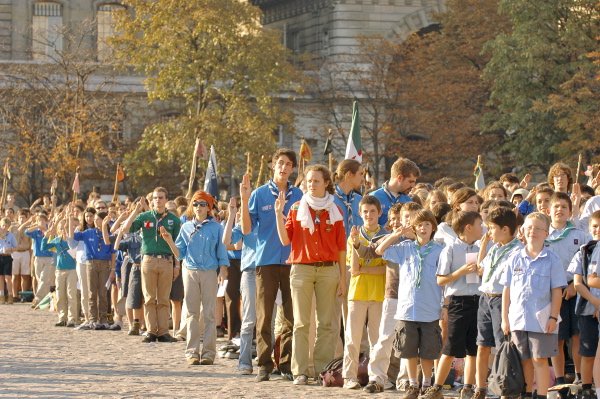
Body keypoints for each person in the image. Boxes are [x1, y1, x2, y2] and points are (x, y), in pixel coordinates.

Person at [274, 164, 346, 386]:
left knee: (326, 323)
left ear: (326, 183)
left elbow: (341, 246)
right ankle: (300, 371)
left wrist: (343, 277)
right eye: (308, 181)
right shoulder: (296, 208)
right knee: (301, 324)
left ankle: (323, 370)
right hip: (302, 269)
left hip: (329, 269)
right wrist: (278, 214)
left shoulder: (335, 209)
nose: (311, 185)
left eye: (316, 181)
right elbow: (285, 240)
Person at [239, 148, 303, 382]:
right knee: (264, 316)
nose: (284, 168)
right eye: (280, 163)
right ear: (273, 166)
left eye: (288, 164)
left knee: (290, 315)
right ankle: (264, 364)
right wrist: (245, 201)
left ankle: (285, 364)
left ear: (293, 168)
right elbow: (246, 229)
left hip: (292, 261)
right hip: (265, 261)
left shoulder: (299, 195)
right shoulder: (259, 194)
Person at [500, 212, 566, 399]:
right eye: (529, 227)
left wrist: (553, 316)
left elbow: (556, 291)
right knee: (524, 360)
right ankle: (527, 393)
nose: (533, 232)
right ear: (522, 230)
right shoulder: (514, 258)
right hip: (518, 318)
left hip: (542, 320)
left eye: (538, 228)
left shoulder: (552, 259)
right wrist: (505, 318)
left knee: (539, 359)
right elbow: (507, 290)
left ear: (546, 233)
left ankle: (542, 395)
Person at [420, 211, 484, 399]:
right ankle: (437, 386)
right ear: (468, 227)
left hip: (478, 301)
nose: (483, 228)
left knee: (474, 348)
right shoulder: (450, 248)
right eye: (480, 224)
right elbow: (441, 280)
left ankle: (468, 386)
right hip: (458, 302)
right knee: (450, 347)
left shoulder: (481, 247)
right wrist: (461, 272)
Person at [383, 210, 444, 399]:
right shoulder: (405, 247)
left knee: (427, 351)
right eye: (419, 225)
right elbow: (380, 251)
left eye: (427, 224)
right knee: (408, 350)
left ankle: (427, 383)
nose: (423, 228)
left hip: (430, 309)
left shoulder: (439, 250)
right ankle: (412, 385)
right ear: (414, 228)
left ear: (433, 228)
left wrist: (444, 305)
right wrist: (396, 234)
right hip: (407, 309)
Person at [173, 190, 229, 365]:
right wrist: (168, 240)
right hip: (189, 270)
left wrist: (223, 269)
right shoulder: (185, 227)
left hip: (210, 271)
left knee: (209, 313)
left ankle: (208, 353)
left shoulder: (216, 228)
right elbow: (179, 253)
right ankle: (192, 352)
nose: (198, 207)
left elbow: (221, 250)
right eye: (195, 204)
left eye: (202, 204)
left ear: (209, 207)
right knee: (191, 312)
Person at [472, 207, 523, 399]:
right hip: (485, 298)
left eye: (491, 228)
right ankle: (480, 386)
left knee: (504, 346)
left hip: (502, 300)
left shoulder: (517, 250)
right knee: (482, 343)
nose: (489, 232)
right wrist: (484, 246)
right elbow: (480, 270)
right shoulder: (495, 248)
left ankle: (507, 388)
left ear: (505, 229)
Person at [121, 188, 182, 343]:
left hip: (167, 260)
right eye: (155, 198)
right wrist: (135, 211)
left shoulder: (174, 220)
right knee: (149, 298)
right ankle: (150, 331)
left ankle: (163, 332)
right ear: (152, 200)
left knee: (163, 298)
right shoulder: (145, 217)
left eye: (161, 198)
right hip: (148, 259)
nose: (158, 200)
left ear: (166, 199)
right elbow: (126, 229)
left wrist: (177, 265)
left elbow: (178, 246)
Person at [546, 192, 591, 387]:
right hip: (552, 292)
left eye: (564, 207)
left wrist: (575, 284)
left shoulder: (579, 235)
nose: (560, 210)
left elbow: (589, 263)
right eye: (556, 206)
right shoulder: (543, 234)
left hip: (576, 289)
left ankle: (580, 376)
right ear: (549, 210)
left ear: (570, 211)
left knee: (577, 336)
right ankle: (560, 378)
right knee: (557, 337)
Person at [342, 196, 387, 389]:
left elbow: (385, 268)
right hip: (358, 292)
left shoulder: (386, 236)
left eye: (373, 211)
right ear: (360, 214)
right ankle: (348, 376)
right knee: (353, 337)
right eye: (365, 212)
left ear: (379, 213)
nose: (369, 215)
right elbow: (353, 268)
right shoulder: (354, 236)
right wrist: (354, 244)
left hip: (378, 293)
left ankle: (376, 377)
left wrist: (364, 269)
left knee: (376, 339)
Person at [223, 197, 259, 374]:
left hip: (270, 271)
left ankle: (269, 359)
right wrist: (231, 216)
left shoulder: (269, 221)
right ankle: (244, 361)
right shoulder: (244, 224)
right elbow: (227, 242)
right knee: (249, 319)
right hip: (250, 273)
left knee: (271, 320)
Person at [568, 210, 600, 399]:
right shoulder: (583, 251)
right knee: (587, 350)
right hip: (587, 307)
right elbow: (578, 283)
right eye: (595, 226)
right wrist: (596, 302)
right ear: (589, 228)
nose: (598, 230)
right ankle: (586, 386)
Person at [70, 208, 116, 330]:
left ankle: (103, 319)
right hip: (91, 263)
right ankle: (92, 319)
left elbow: (113, 252)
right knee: (92, 293)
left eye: (98, 220)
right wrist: (70, 219)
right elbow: (72, 236)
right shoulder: (88, 232)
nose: (95, 222)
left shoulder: (109, 234)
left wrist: (112, 269)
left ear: (104, 220)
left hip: (105, 265)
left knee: (103, 293)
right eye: (94, 220)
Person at [42, 213, 78, 327]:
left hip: (72, 269)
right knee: (60, 294)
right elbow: (44, 248)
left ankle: (72, 318)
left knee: (71, 294)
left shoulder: (71, 240)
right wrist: (46, 236)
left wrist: (69, 218)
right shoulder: (57, 240)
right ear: (58, 229)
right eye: (61, 228)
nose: (63, 230)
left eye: (66, 228)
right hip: (59, 270)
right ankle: (62, 317)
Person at [371, 157, 420, 226]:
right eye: (410, 181)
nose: (413, 186)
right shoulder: (373, 197)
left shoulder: (409, 201)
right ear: (400, 178)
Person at [24, 213, 55, 307]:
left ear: (46, 221)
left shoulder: (49, 231)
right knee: (39, 279)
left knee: (44, 279)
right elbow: (26, 232)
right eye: (39, 220)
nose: (41, 222)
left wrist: (47, 230)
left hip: (49, 258)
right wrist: (36, 225)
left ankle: (37, 299)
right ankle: (44, 301)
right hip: (38, 258)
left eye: (43, 220)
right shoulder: (36, 232)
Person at [333, 159, 364, 238]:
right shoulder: (329, 199)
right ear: (349, 174)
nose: (363, 179)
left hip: (356, 248)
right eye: (360, 174)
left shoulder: (360, 200)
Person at [11, 209, 32, 300]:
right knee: (14, 275)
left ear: (26, 218)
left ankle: (24, 295)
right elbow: (15, 236)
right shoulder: (12, 227)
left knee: (25, 275)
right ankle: (14, 295)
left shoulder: (30, 228)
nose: (21, 219)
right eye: (20, 217)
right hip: (15, 253)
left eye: (23, 218)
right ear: (17, 218)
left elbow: (31, 243)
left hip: (25, 252)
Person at [0, 217, 17, 304]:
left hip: (7, 257)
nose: (4, 227)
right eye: (3, 225)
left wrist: (10, 249)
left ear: (9, 226)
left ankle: (10, 295)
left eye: (6, 226)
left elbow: (15, 247)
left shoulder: (11, 235)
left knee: (8, 277)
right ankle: (1, 296)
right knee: (0, 277)